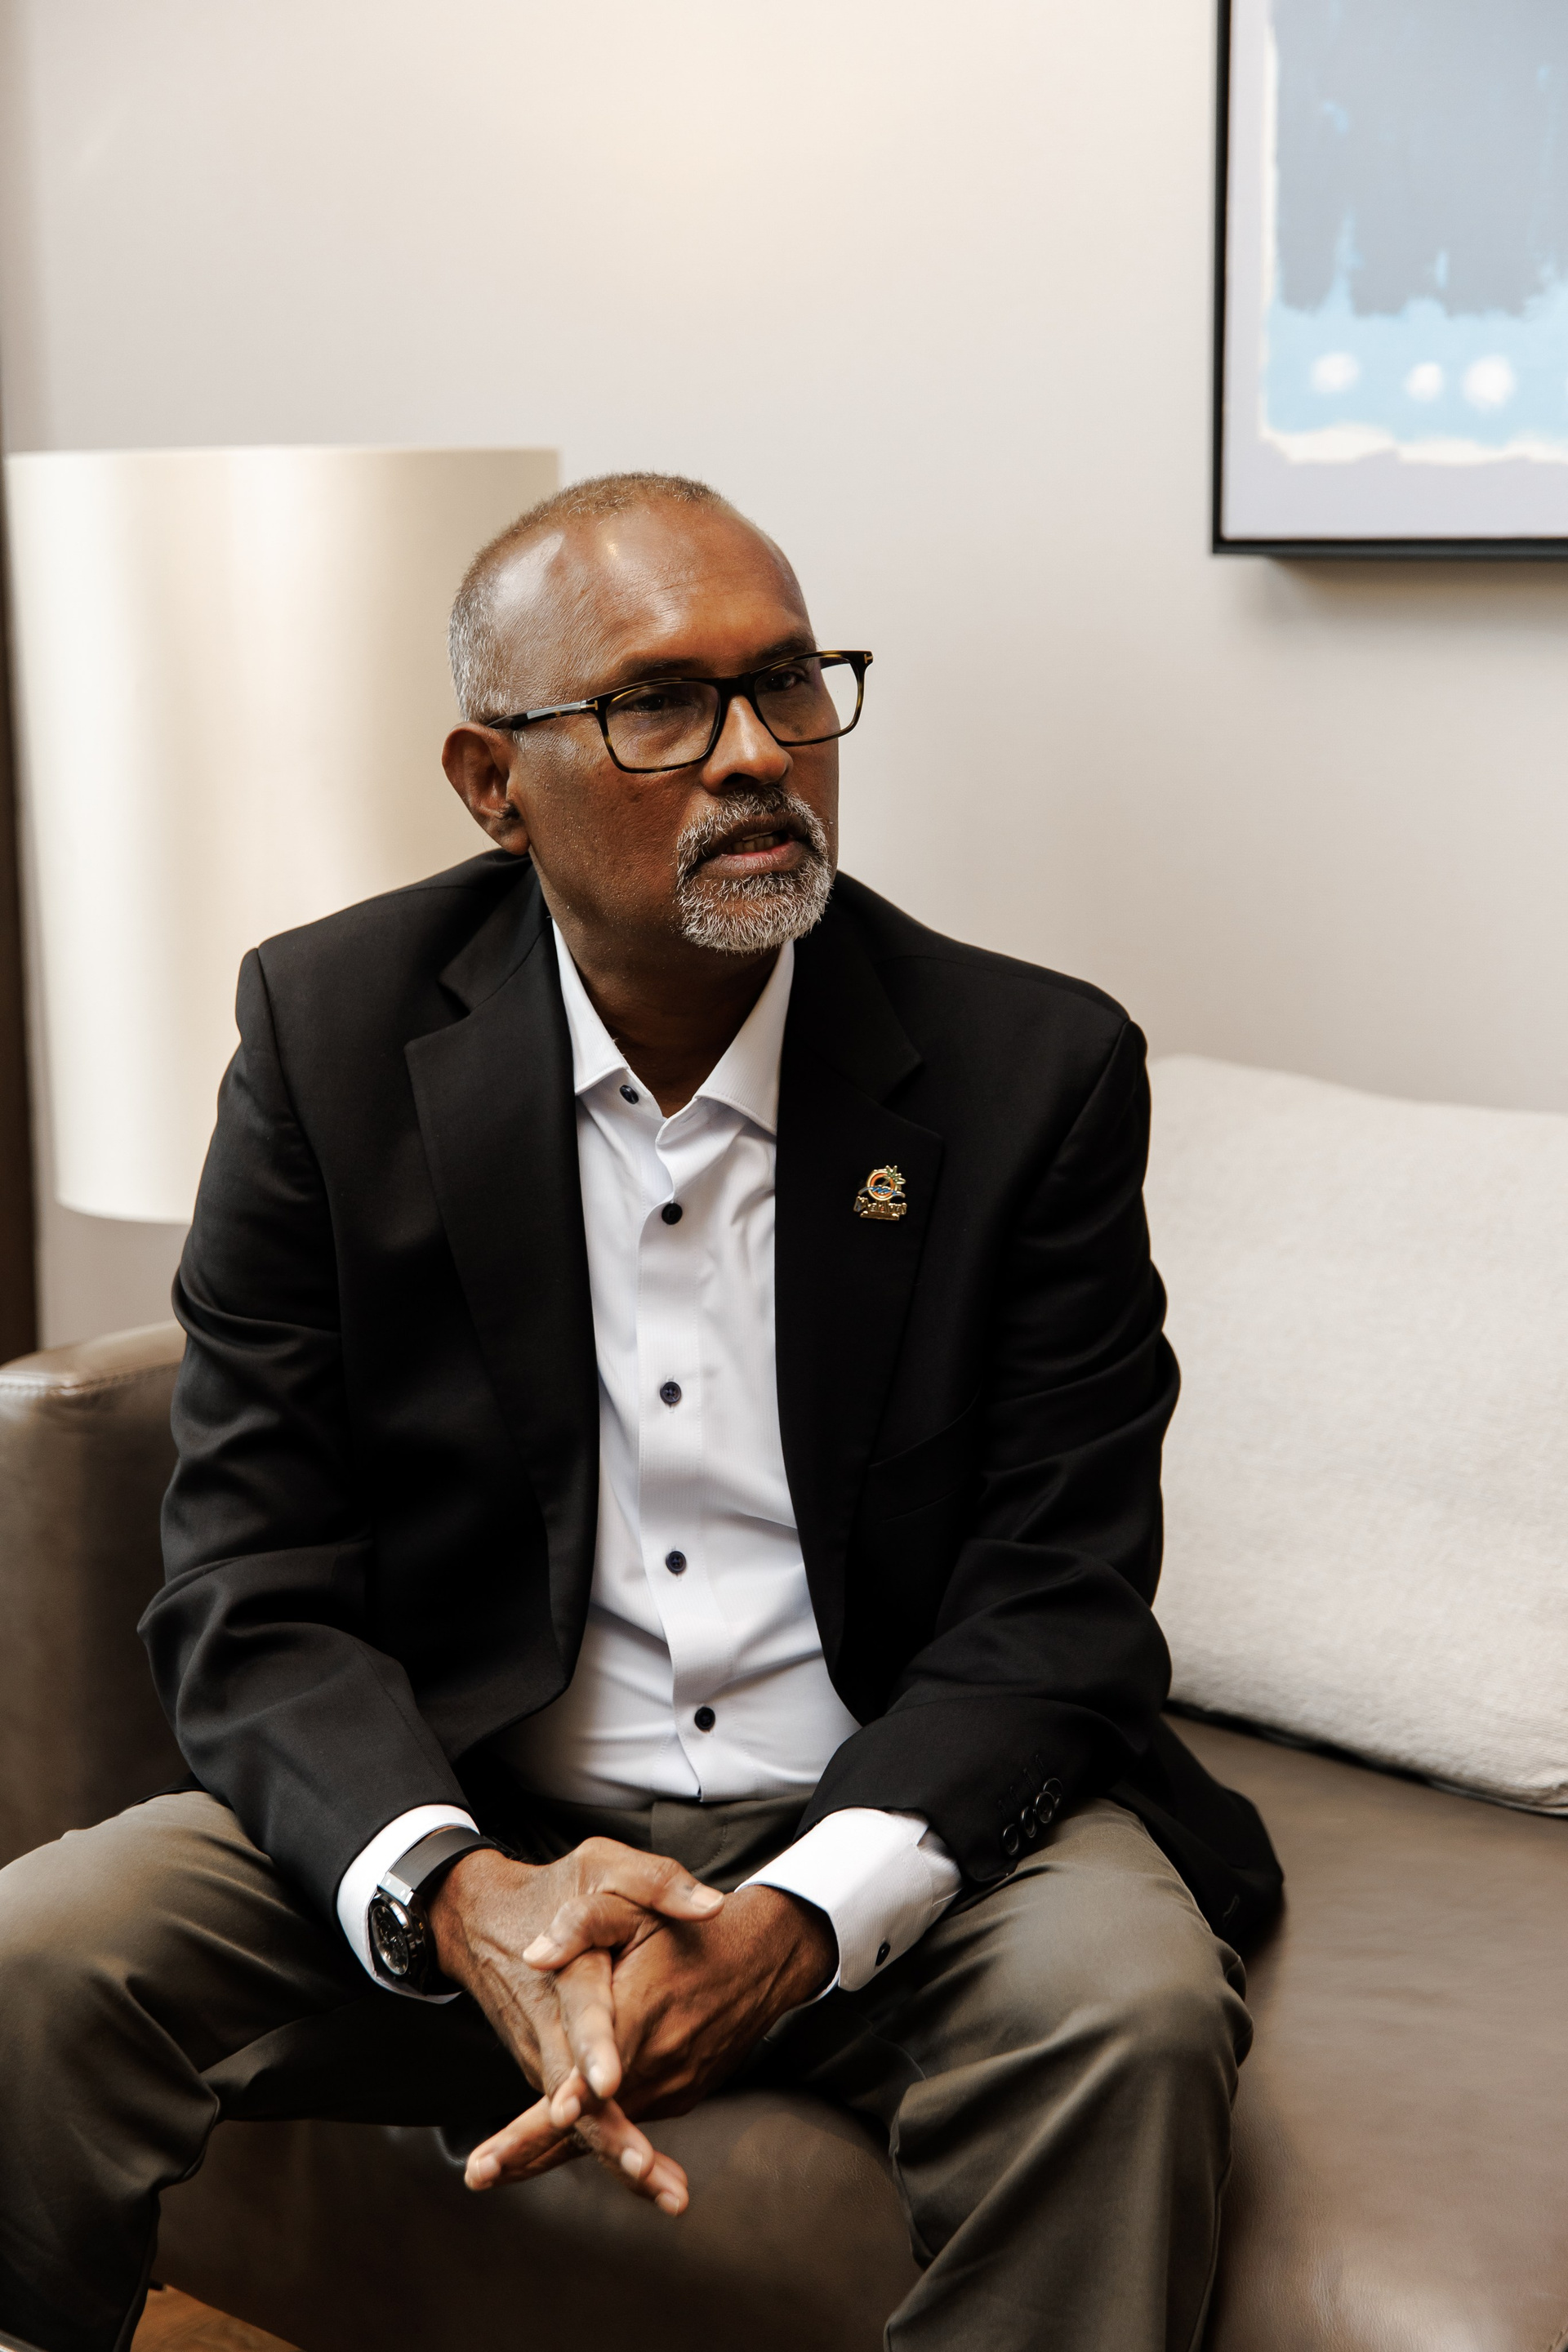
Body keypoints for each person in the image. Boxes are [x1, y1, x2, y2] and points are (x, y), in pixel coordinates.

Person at [0, 472, 1279, 2352]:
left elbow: (1060, 1600)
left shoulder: (1030, 1072)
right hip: (488, 1803)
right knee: (36, 1957)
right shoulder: (330, 1039)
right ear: (491, 782)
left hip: (894, 1803)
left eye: (790, 684)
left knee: (1128, 2013)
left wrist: (796, 1922)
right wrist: (462, 1897)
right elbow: (250, 1585)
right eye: (659, 704)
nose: (756, 754)